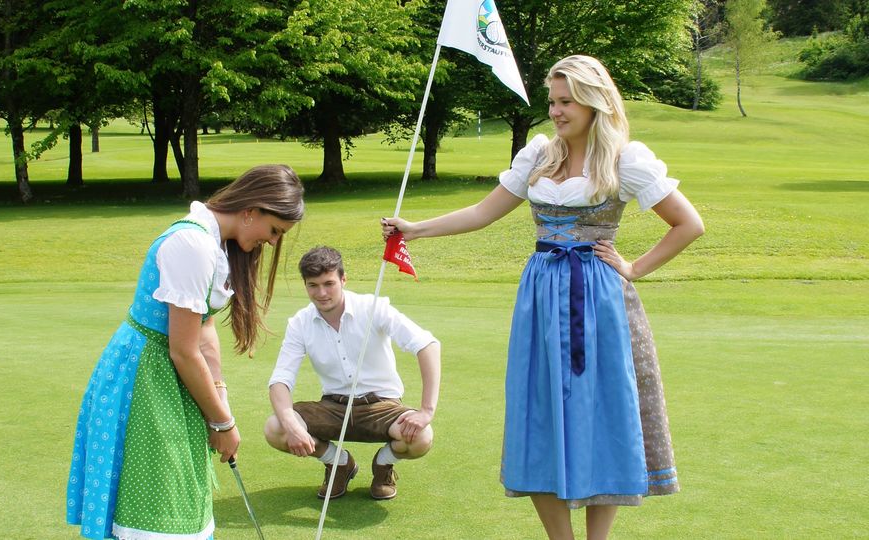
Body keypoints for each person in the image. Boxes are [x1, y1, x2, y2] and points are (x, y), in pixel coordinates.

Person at [382, 55, 705, 539]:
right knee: (538, 411)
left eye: (566, 101)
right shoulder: (538, 155)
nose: (555, 111)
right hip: (540, 298)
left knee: (601, 410)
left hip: (598, 303)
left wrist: (634, 268)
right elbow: (482, 212)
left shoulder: (623, 159)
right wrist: (415, 230)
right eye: (552, 101)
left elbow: (689, 224)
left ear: (595, 103)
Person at [66, 165, 305, 540]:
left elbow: (205, 327)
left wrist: (221, 403)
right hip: (145, 378)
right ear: (251, 210)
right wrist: (224, 425)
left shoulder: (215, 243)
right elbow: (183, 350)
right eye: (274, 230)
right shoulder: (192, 245)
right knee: (158, 503)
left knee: (178, 496)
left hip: (168, 377)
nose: (273, 242)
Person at [263, 246, 441, 500]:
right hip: (333, 407)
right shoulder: (299, 323)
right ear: (305, 285)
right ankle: (339, 463)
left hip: (382, 407)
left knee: (421, 437)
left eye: (329, 283)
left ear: (343, 279)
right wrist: (291, 423)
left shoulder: (373, 307)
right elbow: (281, 380)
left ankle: (383, 463)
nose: (321, 293)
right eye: (313, 285)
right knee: (276, 427)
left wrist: (426, 411)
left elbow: (427, 345)